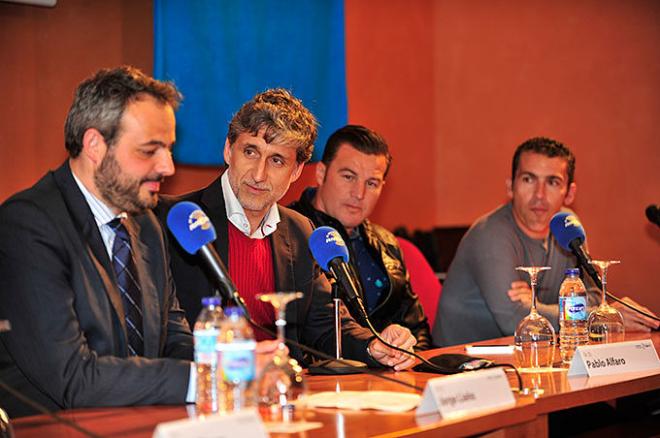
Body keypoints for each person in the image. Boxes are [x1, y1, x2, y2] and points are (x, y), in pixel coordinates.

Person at [155, 90, 417, 370]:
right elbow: (165, 334)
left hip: (282, 394)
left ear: (296, 171)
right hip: (207, 393)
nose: (259, 174)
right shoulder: (174, 221)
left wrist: (374, 345)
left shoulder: (300, 230)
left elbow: (326, 324)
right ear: (228, 150)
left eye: (277, 160)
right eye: (250, 152)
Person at [0, 66, 196, 417]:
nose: (167, 166)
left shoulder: (147, 224)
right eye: (149, 150)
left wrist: (230, 368)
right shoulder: (28, 225)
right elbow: (74, 378)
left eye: (168, 149)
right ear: (95, 145)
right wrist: (202, 378)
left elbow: (173, 337)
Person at [433, 137, 659, 346]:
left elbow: (593, 294)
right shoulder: (490, 234)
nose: (539, 194)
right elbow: (515, 320)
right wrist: (596, 317)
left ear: (569, 193)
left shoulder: (567, 227)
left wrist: (535, 305)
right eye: (528, 179)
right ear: (511, 187)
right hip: (460, 366)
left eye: (552, 182)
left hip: (531, 355)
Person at [289, 125, 432, 350]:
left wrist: (408, 354)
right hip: (325, 377)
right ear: (320, 173)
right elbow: (301, 334)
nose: (359, 194)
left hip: (392, 376)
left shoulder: (387, 243)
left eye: (372, 183)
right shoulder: (288, 234)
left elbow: (419, 330)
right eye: (348, 177)